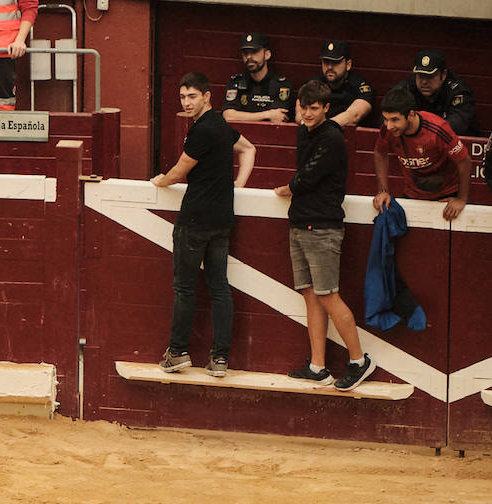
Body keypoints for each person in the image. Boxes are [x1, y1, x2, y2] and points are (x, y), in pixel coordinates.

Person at [151, 72, 256, 378]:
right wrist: (237, 185)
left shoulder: (202, 131)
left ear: (208, 96)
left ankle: (177, 352)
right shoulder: (222, 125)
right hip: (222, 219)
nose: (186, 102)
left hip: (195, 219)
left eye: (192, 96)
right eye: (182, 96)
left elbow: (179, 171)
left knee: (185, 289)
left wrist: (160, 180)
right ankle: (220, 358)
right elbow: (250, 149)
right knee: (219, 288)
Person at [273, 81, 374, 392]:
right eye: (303, 107)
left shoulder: (331, 137)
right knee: (310, 293)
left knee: (328, 294)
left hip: (323, 226)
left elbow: (307, 177)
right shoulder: (304, 131)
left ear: (327, 109)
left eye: (314, 109)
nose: (307, 114)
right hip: (302, 222)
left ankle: (359, 360)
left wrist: (287, 189)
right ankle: (318, 366)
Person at [373, 86, 472, 224]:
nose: (389, 126)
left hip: (446, 196)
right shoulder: (387, 130)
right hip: (412, 194)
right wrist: (383, 190)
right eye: (385, 119)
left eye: (395, 119)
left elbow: (464, 161)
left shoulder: (438, 129)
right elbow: (379, 153)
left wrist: (461, 199)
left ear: (411, 115)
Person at [396, 50, 479, 138]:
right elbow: (387, 117)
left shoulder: (458, 92)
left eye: (430, 77)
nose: (424, 82)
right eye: (420, 76)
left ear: (443, 75)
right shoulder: (406, 88)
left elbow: (456, 126)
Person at [222, 33, 292, 124]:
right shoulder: (236, 82)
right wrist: (267, 114)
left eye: (254, 52)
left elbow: (278, 118)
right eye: (245, 53)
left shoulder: (281, 85)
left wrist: (243, 116)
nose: (249, 57)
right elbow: (228, 116)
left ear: (267, 55)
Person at [312, 40, 375, 129]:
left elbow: (354, 115)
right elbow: (299, 113)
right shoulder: (313, 83)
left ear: (348, 64)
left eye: (335, 62)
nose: (329, 67)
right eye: (326, 62)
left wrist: (324, 128)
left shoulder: (360, 86)